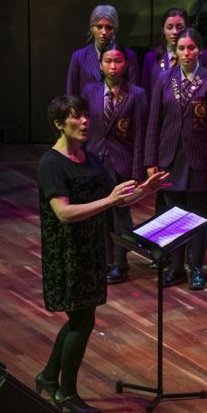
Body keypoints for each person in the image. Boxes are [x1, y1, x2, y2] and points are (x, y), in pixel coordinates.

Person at [36, 95, 166, 413]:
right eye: (75, 118)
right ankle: (65, 393)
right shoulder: (51, 164)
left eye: (85, 116)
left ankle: (49, 378)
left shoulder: (91, 159)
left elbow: (116, 199)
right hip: (67, 252)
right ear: (58, 124)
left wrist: (144, 190)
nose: (84, 123)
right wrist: (109, 202)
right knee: (82, 319)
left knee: (81, 318)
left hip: (91, 250)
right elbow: (63, 213)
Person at [144, 27, 207, 290]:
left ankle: (196, 267)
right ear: (175, 51)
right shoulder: (164, 79)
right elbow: (154, 122)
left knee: (197, 214)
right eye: (182, 48)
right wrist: (151, 160)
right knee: (172, 214)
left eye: (191, 48)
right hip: (170, 157)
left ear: (200, 50)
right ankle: (176, 267)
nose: (187, 53)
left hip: (198, 159)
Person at [79, 44, 148, 286]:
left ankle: (121, 262)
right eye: (108, 61)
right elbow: (84, 129)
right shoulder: (90, 90)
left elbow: (140, 134)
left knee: (121, 213)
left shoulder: (136, 94)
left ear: (125, 64)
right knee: (102, 212)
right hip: (97, 160)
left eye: (117, 61)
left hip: (123, 162)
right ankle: (106, 260)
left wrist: (138, 169)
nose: (113, 66)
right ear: (100, 64)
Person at [67, 4, 139, 94]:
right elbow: (71, 95)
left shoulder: (129, 56)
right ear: (92, 28)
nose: (104, 32)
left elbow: (134, 94)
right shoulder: (79, 56)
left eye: (109, 27)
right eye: (99, 27)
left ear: (115, 29)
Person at [141, 7, 189, 94]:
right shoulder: (151, 57)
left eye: (180, 27)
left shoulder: (200, 56)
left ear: (187, 28)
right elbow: (146, 93)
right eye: (169, 27)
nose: (174, 32)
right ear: (163, 30)